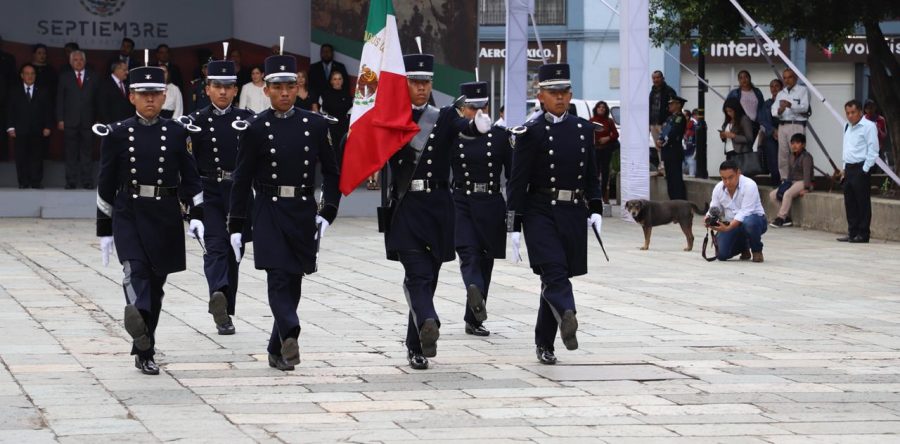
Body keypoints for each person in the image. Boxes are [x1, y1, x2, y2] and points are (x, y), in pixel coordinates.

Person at [228, 52, 341, 371]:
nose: (285, 93)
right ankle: (291, 332)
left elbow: (333, 172)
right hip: (268, 210)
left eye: (290, 86)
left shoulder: (315, 125)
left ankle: (276, 347)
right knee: (278, 277)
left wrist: (327, 210)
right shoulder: (255, 128)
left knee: (294, 282)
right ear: (266, 90)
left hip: (302, 210)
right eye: (277, 87)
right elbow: (242, 178)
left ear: (299, 87)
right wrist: (236, 225)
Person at [380, 53, 491, 370]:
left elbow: (462, 124)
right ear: (406, 84)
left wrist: (476, 124)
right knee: (417, 274)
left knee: (429, 278)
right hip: (405, 208)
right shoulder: (392, 117)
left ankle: (416, 344)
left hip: (438, 210)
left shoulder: (442, 116)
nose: (421, 87)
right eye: (415, 82)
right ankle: (429, 320)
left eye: (425, 82)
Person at [95, 65, 205, 375]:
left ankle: (145, 345)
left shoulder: (176, 131)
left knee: (156, 287)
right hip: (129, 211)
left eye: (156, 94)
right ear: (131, 97)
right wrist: (104, 228)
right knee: (136, 271)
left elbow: (191, 177)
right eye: (143, 94)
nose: (150, 100)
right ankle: (138, 321)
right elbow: (105, 182)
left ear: (165, 95)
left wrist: (197, 215)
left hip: (165, 213)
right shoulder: (117, 133)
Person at [506, 63, 603, 365]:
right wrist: (514, 224)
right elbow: (517, 181)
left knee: (552, 277)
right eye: (553, 92)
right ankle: (567, 312)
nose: (559, 98)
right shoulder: (529, 132)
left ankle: (544, 343)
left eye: (564, 92)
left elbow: (591, 174)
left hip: (572, 210)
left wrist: (596, 207)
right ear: (540, 95)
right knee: (555, 272)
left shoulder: (583, 129)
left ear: (571, 94)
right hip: (540, 211)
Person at [186, 55, 254, 335]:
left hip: (238, 193)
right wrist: (191, 204)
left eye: (228, 86)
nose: (223, 91)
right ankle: (219, 297)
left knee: (234, 252)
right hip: (209, 191)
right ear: (207, 89)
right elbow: (186, 166)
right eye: (217, 85)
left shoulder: (248, 120)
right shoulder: (195, 121)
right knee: (215, 247)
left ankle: (225, 304)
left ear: (236, 89)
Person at [451, 81, 511, 338]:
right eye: (470, 108)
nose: (475, 113)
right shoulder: (454, 135)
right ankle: (473, 287)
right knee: (469, 253)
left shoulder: (499, 136)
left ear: (486, 107)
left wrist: (516, 211)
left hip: (491, 201)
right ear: (462, 108)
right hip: (462, 200)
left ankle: (473, 318)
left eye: (479, 107)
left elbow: (514, 173)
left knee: (486, 261)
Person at [705, 160, 767, 262]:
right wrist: (708, 218)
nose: (727, 182)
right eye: (724, 178)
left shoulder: (749, 185)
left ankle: (757, 250)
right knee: (721, 255)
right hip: (732, 224)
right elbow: (714, 207)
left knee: (749, 223)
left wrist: (728, 227)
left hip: (754, 220)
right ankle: (744, 247)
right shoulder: (718, 188)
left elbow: (746, 211)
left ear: (738, 173)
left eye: (730, 177)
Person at [837, 99, 879, 243]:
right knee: (850, 201)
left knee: (862, 202)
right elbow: (846, 148)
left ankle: (863, 233)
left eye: (853, 112)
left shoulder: (869, 126)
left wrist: (865, 169)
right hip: (849, 168)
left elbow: (873, 150)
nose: (850, 116)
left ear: (860, 111)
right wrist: (844, 169)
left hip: (861, 167)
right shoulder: (846, 126)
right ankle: (852, 231)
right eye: (847, 113)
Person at [57, 50, 99, 189]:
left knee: (87, 153)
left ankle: (87, 181)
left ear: (85, 61)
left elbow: (97, 100)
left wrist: (98, 119)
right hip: (69, 121)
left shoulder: (93, 76)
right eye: (75, 60)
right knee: (71, 153)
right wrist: (60, 119)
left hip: (89, 121)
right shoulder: (64, 77)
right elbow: (60, 100)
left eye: (81, 59)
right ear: (70, 62)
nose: (78, 62)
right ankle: (71, 182)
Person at [6, 64, 52, 188]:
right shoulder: (14, 90)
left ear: (35, 76)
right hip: (20, 129)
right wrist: (10, 127)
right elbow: (10, 110)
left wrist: (48, 126)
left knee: (37, 156)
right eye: (27, 73)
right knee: (21, 157)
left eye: (32, 73)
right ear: (22, 75)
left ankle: (36, 182)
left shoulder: (43, 90)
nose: (30, 76)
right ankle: (23, 182)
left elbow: (48, 110)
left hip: (38, 129)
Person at [771, 68, 809, 181]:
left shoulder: (802, 90)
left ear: (795, 78)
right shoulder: (781, 93)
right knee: (783, 154)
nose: (787, 80)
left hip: (796, 124)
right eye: (785, 78)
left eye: (790, 77)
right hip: (782, 125)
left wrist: (790, 105)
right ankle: (784, 179)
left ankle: (799, 179)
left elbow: (805, 107)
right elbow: (773, 111)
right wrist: (779, 111)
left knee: (797, 152)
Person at [769, 133, 813, 228]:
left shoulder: (806, 157)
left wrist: (807, 188)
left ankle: (780, 218)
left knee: (787, 194)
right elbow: (790, 173)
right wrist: (785, 183)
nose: (794, 146)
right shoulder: (791, 156)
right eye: (792, 143)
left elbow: (807, 174)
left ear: (803, 144)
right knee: (773, 195)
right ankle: (787, 219)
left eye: (797, 143)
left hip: (802, 181)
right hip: (792, 181)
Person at [656, 96, 688, 200]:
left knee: (676, 178)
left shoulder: (680, 118)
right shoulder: (670, 118)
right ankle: (673, 200)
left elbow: (674, 133)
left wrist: (663, 141)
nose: (669, 105)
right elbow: (664, 130)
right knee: (669, 178)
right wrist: (659, 139)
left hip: (674, 151)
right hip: (667, 152)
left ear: (678, 105)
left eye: (672, 103)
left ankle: (679, 200)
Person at [649, 70, 677, 174]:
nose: (655, 80)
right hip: (653, 123)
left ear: (662, 78)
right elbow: (650, 107)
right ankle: (662, 166)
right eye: (654, 78)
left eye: (657, 77)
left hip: (664, 123)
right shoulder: (652, 92)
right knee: (658, 146)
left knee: (665, 144)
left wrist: (669, 121)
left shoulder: (669, 91)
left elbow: (674, 107)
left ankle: (667, 167)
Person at [591, 101, 619, 204]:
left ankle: (605, 196)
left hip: (606, 150)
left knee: (605, 173)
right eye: (599, 107)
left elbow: (616, 134)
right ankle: (595, 195)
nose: (601, 109)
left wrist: (607, 138)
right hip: (595, 150)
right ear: (596, 109)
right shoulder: (592, 121)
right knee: (595, 173)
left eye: (603, 107)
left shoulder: (609, 121)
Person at [726, 70, 767, 138]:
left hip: (754, 124)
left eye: (746, 77)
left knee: (749, 145)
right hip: (740, 124)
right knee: (742, 145)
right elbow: (727, 107)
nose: (744, 80)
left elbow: (762, 108)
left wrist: (761, 123)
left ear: (749, 78)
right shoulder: (734, 93)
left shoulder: (757, 92)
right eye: (741, 78)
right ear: (738, 80)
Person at [319, 70, 352, 152]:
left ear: (343, 81)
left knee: (343, 151)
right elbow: (322, 113)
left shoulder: (347, 95)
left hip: (344, 127)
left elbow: (350, 113)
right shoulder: (325, 95)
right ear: (331, 81)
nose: (337, 81)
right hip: (330, 128)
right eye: (335, 79)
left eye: (339, 79)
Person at [762, 78, 783, 183]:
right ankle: (775, 182)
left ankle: (785, 181)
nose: (774, 88)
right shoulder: (767, 104)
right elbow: (762, 120)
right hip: (771, 135)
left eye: (776, 86)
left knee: (784, 159)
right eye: (772, 86)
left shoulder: (785, 102)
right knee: (773, 159)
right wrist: (773, 130)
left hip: (784, 133)